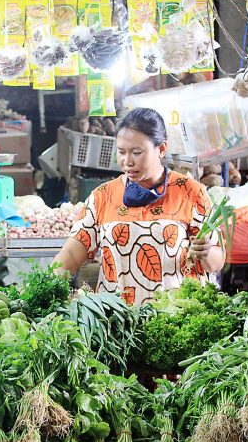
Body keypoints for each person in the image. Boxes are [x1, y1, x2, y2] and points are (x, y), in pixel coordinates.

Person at [52, 108, 225, 305]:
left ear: (161, 149)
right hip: (118, 318)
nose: (127, 161)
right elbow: (73, 253)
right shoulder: (103, 196)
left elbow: (216, 262)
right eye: (121, 152)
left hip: (177, 316)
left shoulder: (191, 192)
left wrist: (206, 252)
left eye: (137, 152)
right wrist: (49, 282)